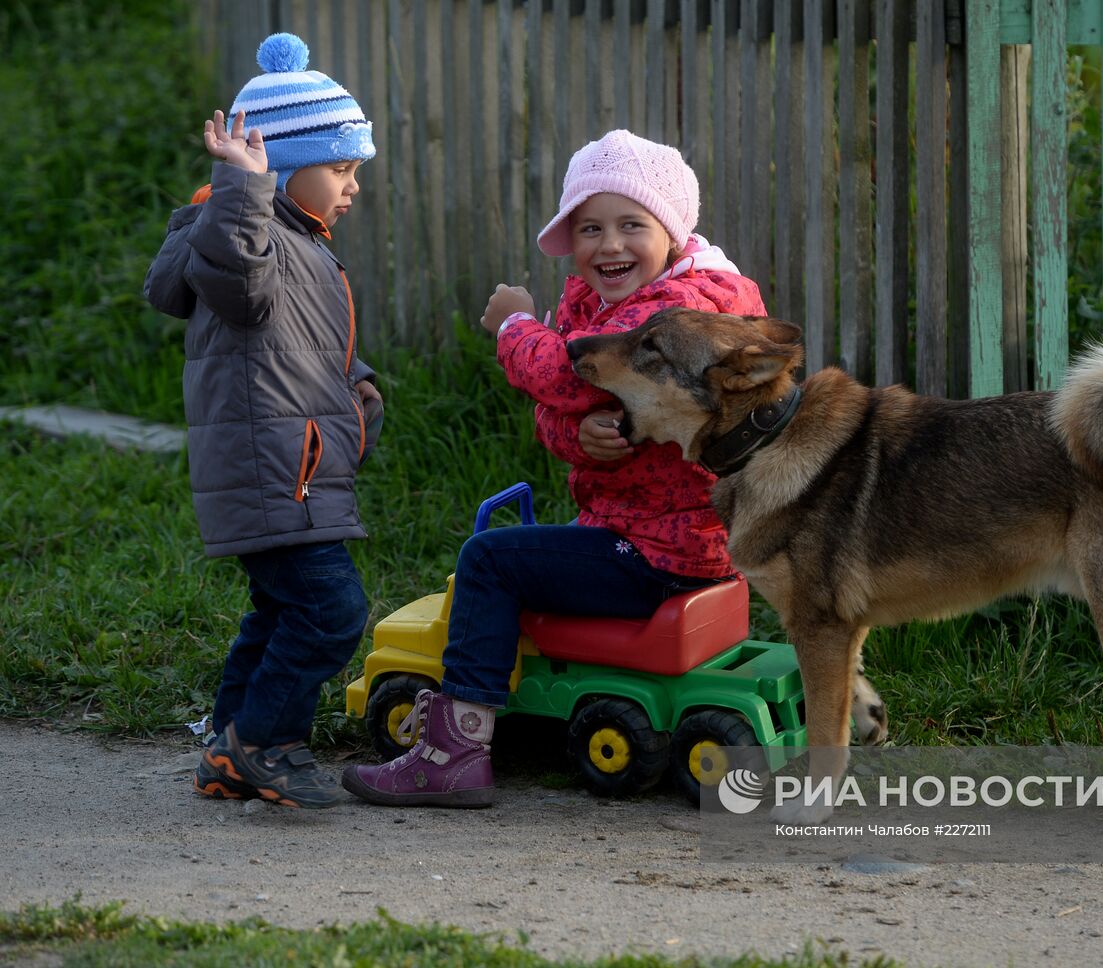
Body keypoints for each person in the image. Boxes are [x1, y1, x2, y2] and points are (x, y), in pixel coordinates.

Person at [343, 129, 767, 807]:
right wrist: (583, 436)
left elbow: (562, 376)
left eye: (633, 224)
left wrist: (514, 327)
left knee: (489, 560)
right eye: (590, 227)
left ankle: (453, 750)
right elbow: (560, 412)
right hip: (650, 530)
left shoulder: (678, 313)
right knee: (527, 552)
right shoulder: (600, 302)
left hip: (657, 547)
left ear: (674, 230)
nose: (609, 245)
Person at [144, 32, 382, 809]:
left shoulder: (301, 240)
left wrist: (356, 384)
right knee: (331, 609)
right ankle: (265, 742)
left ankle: (228, 744)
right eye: (340, 169)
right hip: (277, 468)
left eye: (355, 172)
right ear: (278, 168)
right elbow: (242, 285)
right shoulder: (249, 235)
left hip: (296, 460)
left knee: (282, 608)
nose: (351, 187)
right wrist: (242, 187)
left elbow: (297, 342)